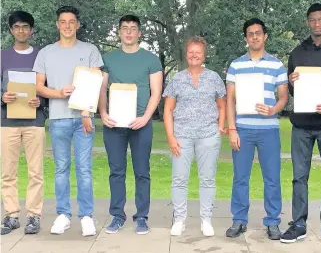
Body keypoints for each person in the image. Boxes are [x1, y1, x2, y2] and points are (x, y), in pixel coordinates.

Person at [33, 6, 104, 236]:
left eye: (71, 21)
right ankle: (63, 214)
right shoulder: (45, 53)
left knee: (84, 169)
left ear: (78, 25)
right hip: (58, 118)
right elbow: (38, 86)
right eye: (63, 21)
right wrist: (59, 93)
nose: (67, 25)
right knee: (61, 169)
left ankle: (86, 217)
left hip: (83, 119)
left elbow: (95, 82)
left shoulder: (90, 50)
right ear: (57, 24)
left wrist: (85, 112)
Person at [280, 3, 321, 247]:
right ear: (308, 22)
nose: (317, 24)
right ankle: (299, 223)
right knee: (299, 177)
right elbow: (293, 90)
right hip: (302, 125)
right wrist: (291, 81)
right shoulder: (297, 52)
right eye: (313, 20)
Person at [98, 15, 163, 235]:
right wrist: (103, 113)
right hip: (114, 124)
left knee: (142, 172)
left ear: (139, 33)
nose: (128, 32)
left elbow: (156, 93)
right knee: (116, 172)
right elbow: (102, 89)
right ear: (119, 32)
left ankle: (142, 217)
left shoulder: (151, 60)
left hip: (140, 123)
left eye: (133, 28)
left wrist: (145, 118)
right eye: (124, 28)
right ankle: (117, 215)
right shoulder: (108, 58)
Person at [225, 18, 288, 240]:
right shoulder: (236, 65)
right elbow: (230, 100)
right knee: (240, 177)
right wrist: (232, 129)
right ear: (246, 38)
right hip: (242, 128)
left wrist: (273, 110)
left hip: (268, 130)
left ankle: (272, 222)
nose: (254, 37)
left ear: (265, 36)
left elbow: (283, 97)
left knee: (272, 177)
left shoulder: (277, 65)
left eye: (258, 33)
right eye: (250, 33)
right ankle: (239, 220)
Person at [162, 36, 226, 237]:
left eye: (198, 52)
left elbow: (222, 104)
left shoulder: (214, 77)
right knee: (179, 179)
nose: (194, 55)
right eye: (191, 51)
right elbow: (168, 110)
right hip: (182, 136)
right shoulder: (177, 79)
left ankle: (206, 220)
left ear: (204, 55)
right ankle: (179, 219)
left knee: (207, 180)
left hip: (208, 135)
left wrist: (220, 127)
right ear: (186, 54)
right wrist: (171, 137)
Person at [1, 11, 46, 235]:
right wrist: (2, 97)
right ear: (11, 30)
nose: (21, 30)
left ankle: (34, 217)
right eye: (17, 26)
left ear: (31, 30)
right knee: (7, 172)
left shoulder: (41, 57)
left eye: (25, 26)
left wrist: (41, 99)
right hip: (6, 122)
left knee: (35, 171)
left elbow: (47, 87)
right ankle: (11, 216)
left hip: (34, 122)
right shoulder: (2, 57)